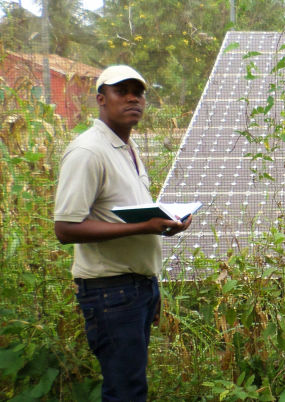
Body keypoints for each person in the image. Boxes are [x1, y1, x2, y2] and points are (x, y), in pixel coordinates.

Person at [53, 65, 190, 401]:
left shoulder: (126, 147)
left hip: (135, 289)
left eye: (138, 92)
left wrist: (164, 225)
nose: (133, 98)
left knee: (130, 385)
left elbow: (122, 211)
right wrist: (145, 227)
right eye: (121, 91)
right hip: (111, 292)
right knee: (125, 391)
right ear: (101, 99)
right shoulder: (88, 151)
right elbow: (66, 228)